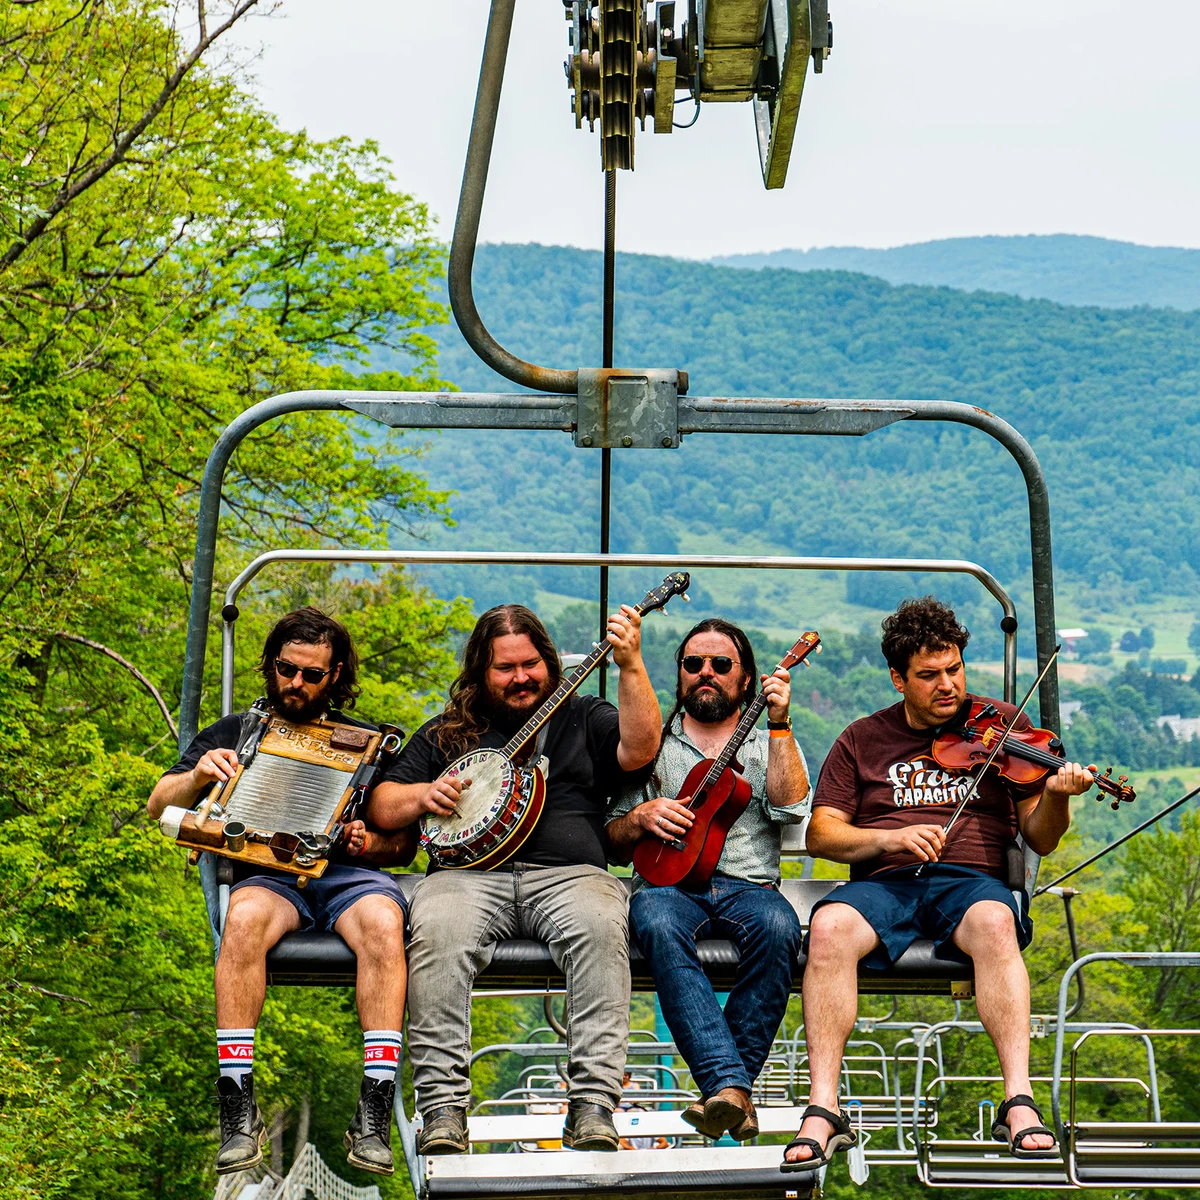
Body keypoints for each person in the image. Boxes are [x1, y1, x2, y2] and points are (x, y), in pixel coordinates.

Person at [782, 597, 1093, 1172]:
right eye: (929, 676)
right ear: (899, 678)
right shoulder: (862, 739)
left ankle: (1018, 1101)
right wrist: (887, 841)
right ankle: (823, 1108)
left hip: (970, 883)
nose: (947, 685)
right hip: (887, 881)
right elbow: (824, 833)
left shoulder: (1005, 729)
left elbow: (1041, 839)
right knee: (826, 927)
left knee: (999, 922)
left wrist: (1054, 797)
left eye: (954, 669)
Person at [368, 603, 662, 1155]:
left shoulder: (584, 715)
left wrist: (631, 666)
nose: (521, 678)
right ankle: (444, 1111)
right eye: (505, 668)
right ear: (482, 672)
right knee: (437, 933)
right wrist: (422, 795)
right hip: (466, 877)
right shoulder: (450, 732)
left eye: (531, 664)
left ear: (548, 662)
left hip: (571, 875)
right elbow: (383, 805)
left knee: (602, 927)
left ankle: (594, 1106)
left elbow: (641, 749)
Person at [148, 608, 414, 1178]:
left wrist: (370, 843)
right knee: (240, 919)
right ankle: (237, 1108)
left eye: (312, 674)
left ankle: (374, 1108)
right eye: (287, 669)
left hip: (347, 876)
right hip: (268, 877)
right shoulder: (233, 733)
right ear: (270, 665)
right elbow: (159, 806)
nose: (296, 683)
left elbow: (404, 847)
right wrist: (199, 777)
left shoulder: (368, 744)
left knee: (384, 925)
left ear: (335, 676)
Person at [607, 619, 810, 1142]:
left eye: (721, 665)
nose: (705, 673)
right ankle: (734, 1091)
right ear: (679, 674)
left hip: (749, 886)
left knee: (780, 930)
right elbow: (611, 835)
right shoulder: (651, 742)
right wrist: (640, 818)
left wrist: (782, 723)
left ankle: (724, 1089)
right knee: (651, 919)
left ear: (746, 680)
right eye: (693, 663)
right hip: (667, 885)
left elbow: (790, 808)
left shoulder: (769, 740)